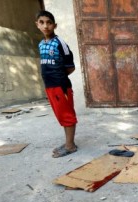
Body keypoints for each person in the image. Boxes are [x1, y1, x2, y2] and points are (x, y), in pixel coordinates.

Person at [35, 10, 78, 157]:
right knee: (61, 115)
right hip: (50, 86)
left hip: (61, 86)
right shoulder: (41, 44)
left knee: (67, 115)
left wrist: (58, 77)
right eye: (42, 22)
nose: (45, 26)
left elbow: (71, 67)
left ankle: (70, 146)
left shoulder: (60, 43)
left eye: (49, 23)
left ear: (55, 25)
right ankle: (68, 142)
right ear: (37, 25)